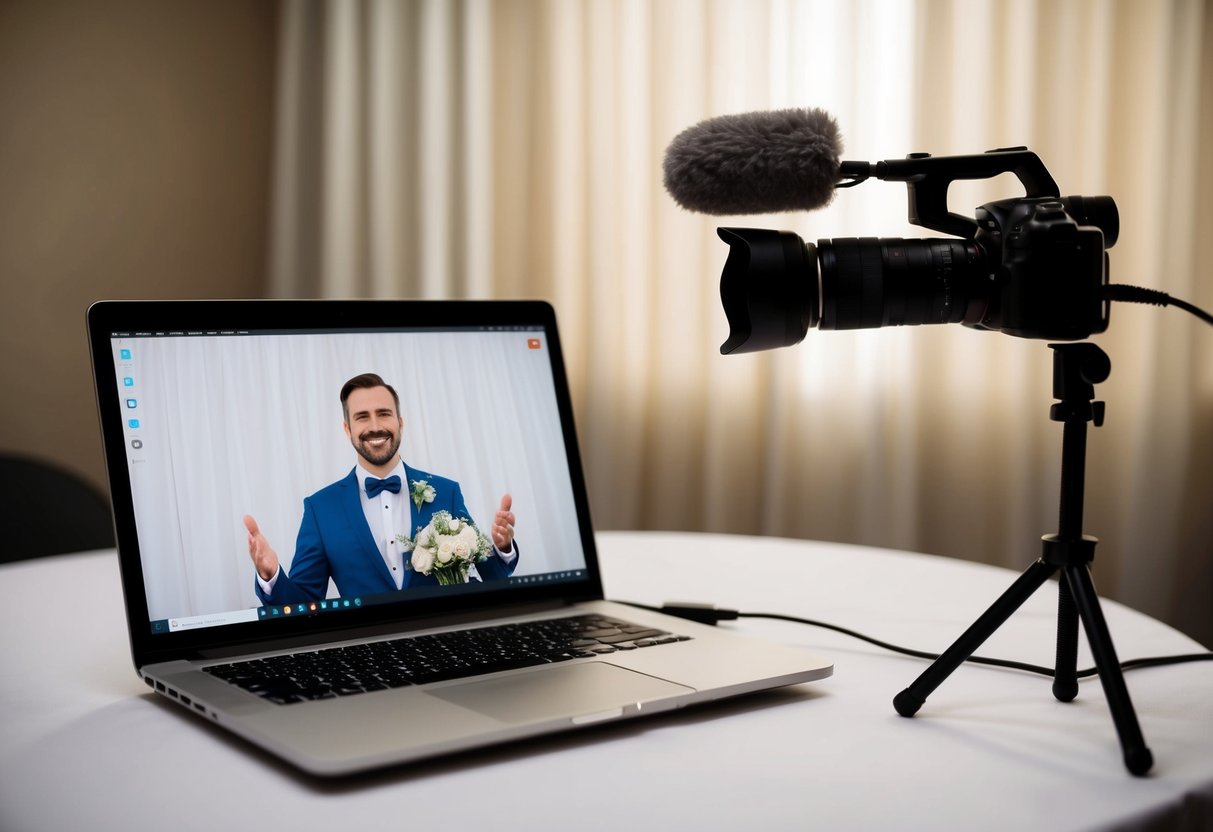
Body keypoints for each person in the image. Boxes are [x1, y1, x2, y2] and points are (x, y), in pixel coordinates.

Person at [244, 373, 519, 605]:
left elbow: (493, 575)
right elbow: (303, 603)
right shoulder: (320, 509)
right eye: (362, 417)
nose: (375, 426)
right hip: (367, 653)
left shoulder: (446, 491)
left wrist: (502, 546)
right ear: (347, 429)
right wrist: (271, 576)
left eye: (384, 414)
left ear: (400, 422)